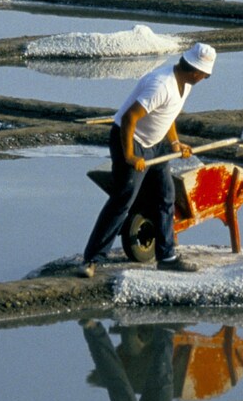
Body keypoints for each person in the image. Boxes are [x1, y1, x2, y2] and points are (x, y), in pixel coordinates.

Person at [77, 43, 216, 278]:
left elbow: (167, 115)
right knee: (123, 200)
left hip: (157, 144)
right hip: (131, 140)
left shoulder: (184, 84)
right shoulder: (161, 85)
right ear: (195, 71)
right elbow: (129, 118)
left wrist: (175, 143)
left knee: (166, 197)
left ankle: (167, 257)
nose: (204, 79)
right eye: (205, 75)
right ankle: (91, 259)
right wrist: (130, 156)